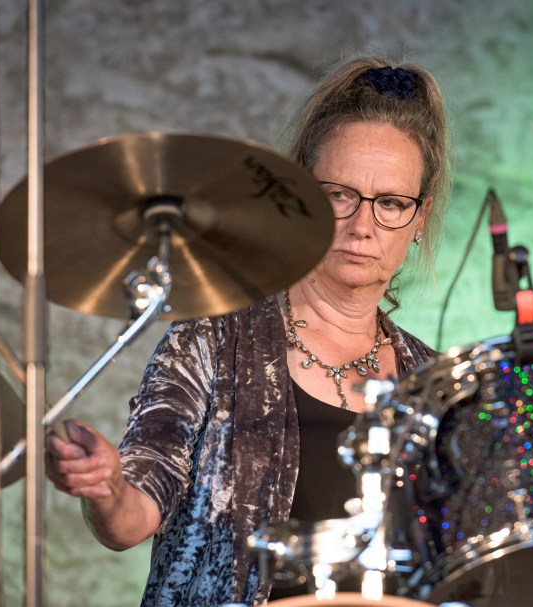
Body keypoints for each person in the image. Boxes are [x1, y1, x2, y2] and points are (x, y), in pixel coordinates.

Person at [45, 55, 451, 606]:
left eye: (392, 203)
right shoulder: (212, 341)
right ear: (300, 196)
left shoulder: (436, 387)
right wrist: (108, 488)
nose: (363, 225)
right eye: (339, 194)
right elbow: (132, 515)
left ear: (419, 218)